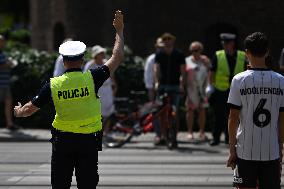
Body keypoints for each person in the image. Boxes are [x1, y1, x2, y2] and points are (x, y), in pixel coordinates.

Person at [13, 10, 124, 189]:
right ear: (82, 60)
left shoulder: (53, 84)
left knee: (60, 184)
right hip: (88, 141)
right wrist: (119, 31)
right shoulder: (93, 77)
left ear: (63, 61)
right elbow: (117, 57)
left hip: (63, 142)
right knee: (87, 184)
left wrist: (17, 111)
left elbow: (28, 110)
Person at [227, 32, 284, 189]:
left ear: (247, 53)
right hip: (271, 151)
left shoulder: (239, 80)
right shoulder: (280, 81)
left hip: (245, 151)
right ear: (267, 52)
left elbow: (233, 118)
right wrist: (280, 149)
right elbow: (282, 119)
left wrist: (232, 150)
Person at [208, 33, 247, 146]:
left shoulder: (241, 55)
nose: (224, 45)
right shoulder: (218, 55)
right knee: (218, 115)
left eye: (227, 43)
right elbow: (212, 71)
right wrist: (210, 86)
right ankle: (215, 138)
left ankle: (228, 138)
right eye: (223, 43)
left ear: (232, 44)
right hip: (221, 89)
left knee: (233, 115)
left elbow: (247, 70)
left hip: (236, 90)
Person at [154, 32, 186, 148]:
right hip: (163, 85)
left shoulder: (179, 54)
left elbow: (182, 71)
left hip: (175, 85)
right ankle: (164, 136)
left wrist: (182, 84)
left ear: (173, 41)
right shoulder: (159, 54)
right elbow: (156, 68)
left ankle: (174, 137)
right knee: (161, 113)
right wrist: (157, 82)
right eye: (165, 39)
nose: (167, 41)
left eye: (169, 39)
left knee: (175, 112)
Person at [84, 45, 116, 134]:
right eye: (100, 53)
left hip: (107, 89)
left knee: (108, 112)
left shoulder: (107, 63)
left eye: (103, 53)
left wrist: (114, 86)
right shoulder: (90, 65)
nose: (103, 54)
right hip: (96, 90)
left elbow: (111, 75)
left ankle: (106, 132)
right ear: (96, 55)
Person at [185, 41, 210, 141]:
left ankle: (202, 132)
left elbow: (211, 71)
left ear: (200, 50)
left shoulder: (205, 60)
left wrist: (207, 63)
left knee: (202, 110)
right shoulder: (187, 60)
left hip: (203, 89)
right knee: (190, 110)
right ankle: (190, 132)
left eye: (196, 50)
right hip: (191, 89)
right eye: (192, 50)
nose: (194, 52)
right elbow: (182, 74)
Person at [0, 35, 18, 130]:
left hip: (5, 83)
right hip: (1, 84)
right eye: (2, 42)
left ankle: (9, 124)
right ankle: (9, 123)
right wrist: (9, 64)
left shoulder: (2, 53)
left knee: (8, 102)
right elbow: (2, 65)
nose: (4, 44)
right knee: (8, 102)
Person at [144, 37, 164, 102]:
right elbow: (148, 78)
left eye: (163, 48)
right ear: (156, 48)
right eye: (159, 47)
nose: (161, 49)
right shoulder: (151, 59)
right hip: (155, 87)